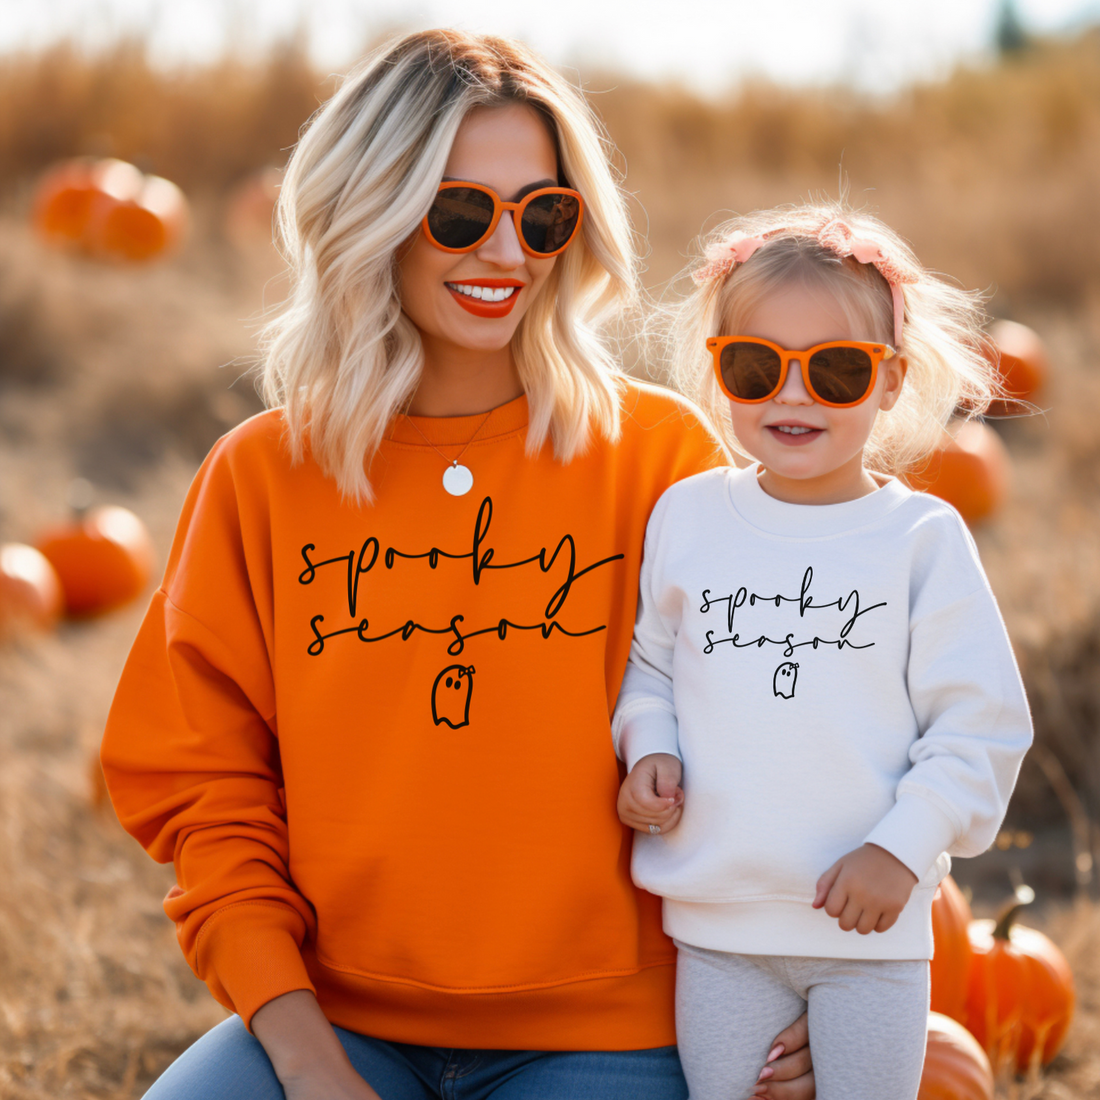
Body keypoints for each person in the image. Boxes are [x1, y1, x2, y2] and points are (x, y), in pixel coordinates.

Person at [100, 30, 816, 1100]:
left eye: (542, 214)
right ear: (371, 212)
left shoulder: (664, 461)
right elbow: (208, 794)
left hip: (610, 1033)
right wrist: (304, 1059)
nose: (506, 252)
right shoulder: (260, 477)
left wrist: (801, 984)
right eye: (458, 211)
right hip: (335, 1022)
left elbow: (782, 741)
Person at [613, 203, 1033, 1100]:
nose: (791, 396)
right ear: (718, 370)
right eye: (756, 367)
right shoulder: (689, 518)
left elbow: (982, 725)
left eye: (835, 371)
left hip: (872, 937)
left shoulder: (921, 538)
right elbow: (650, 667)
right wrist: (649, 745)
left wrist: (903, 847)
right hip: (718, 927)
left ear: (889, 382)